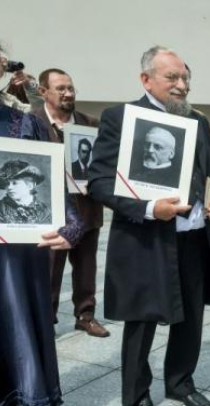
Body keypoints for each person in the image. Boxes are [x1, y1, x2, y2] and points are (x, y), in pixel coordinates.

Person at [88, 46, 210, 406]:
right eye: (172, 77)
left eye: (185, 77)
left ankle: (180, 382)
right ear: (146, 79)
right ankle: (137, 396)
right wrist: (151, 209)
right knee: (143, 320)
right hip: (145, 238)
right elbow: (100, 183)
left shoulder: (198, 123)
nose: (182, 84)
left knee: (191, 317)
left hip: (191, 237)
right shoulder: (120, 118)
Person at [0, 98, 84, 406]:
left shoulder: (24, 122)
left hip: (20, 249)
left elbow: (49, 178)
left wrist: (70, 225)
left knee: (13, 328)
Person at [32, 68, 110, 338]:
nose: (68, 93)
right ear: (43, 91)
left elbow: (106, 162)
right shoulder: (31, 122)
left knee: (87, 269)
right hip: (50, 213)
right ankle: (46, 319)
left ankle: (85, 316)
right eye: (60, 88)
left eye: (71, 88)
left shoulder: (91, 124)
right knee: (49, 271)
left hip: (87, 210)